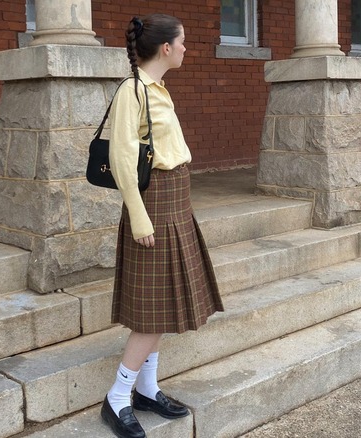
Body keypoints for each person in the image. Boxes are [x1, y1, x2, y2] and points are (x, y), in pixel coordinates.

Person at [100, 13, 224, 438]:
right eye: (183, 41)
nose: (187, 48)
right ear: (166, 47)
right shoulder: (132, 90)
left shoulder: (157, 88)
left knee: (164, 303)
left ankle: (147, 389)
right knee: (151, 311)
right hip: (153, 206)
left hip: (175, 200)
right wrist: (138, 216)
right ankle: (118, 397)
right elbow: (121, 158)